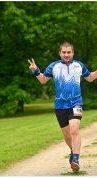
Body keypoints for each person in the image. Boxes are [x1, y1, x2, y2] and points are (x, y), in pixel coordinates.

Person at [28, 42, 97, 172]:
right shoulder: (53, 66)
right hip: (60, 106)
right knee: (67, 136)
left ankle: (75, 159)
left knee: (74, 129)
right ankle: (73, 150)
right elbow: (43, 80)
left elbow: (90, 78)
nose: (66, 55)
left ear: (72, 53)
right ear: (60, 53)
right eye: (64, 52)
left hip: (76, 103)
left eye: (69, 52)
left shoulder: (79, 65)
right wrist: (36, 70)